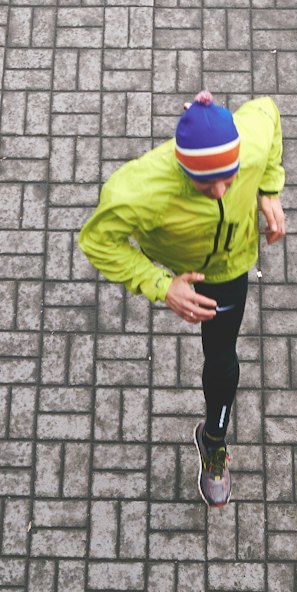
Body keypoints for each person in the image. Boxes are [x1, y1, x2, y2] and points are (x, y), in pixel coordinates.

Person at [78, 92, 286, 507]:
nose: (220, 191)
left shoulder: (254, 139)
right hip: (185, 271)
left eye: (230, 177)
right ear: (181, 166)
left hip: (230, 272)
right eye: (205, 183)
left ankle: (213, 441)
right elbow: (98, 242)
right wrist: (160, 285)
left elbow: (270, 112)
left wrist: (268, 187)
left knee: (222, 358)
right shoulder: (138, 189)